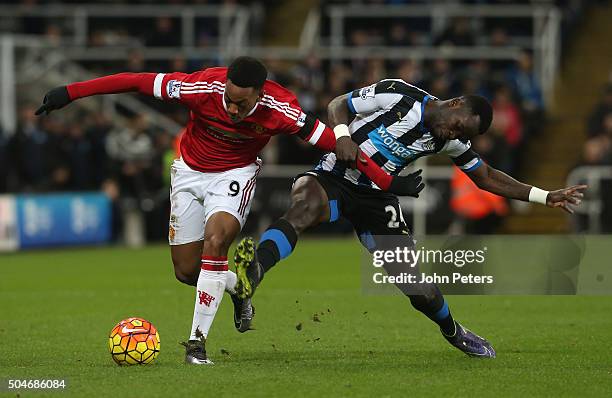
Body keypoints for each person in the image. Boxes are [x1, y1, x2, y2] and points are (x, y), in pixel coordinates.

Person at [35, 57, 424, 365]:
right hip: (188, 172)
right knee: (188, 271)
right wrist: (71, 91)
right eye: (229, 99)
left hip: (234, 175)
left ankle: (196, 344)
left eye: (242, 102)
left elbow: (336, 145)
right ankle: (240, 290)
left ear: (260, 93)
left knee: (216, 242)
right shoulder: (199, 86)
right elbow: (136, 81)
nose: (233, 108)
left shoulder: (282, 109)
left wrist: (389, 184)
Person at [233, 78, 587, 358]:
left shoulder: (447, 141)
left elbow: (486, 176)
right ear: (455, 105)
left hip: (377, 199)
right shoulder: (399, 94)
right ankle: (252, 275)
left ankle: (454, 331)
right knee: (303, 209)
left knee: (416, 287)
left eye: (462, 136)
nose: (454, 136)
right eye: (458, 127)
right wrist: (341, 135)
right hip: (335, 175)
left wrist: (544, 195)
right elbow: (338, 104)